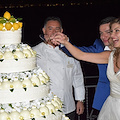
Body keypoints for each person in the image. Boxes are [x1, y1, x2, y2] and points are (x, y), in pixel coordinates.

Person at [52, 17, 120, 120]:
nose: (110, 35)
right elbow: (82, 55)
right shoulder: (109, 55)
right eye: (111, 31)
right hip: (110, 105)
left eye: (115, 31)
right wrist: (65, 42)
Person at [32, 16, 85, 120]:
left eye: (57, 29)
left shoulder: (71, 51)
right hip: (43, 107)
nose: (54, 32)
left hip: (68, 105)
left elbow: (77, 77)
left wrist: (80, 100)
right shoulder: (34, 52)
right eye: (50, 29)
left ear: (61, 31)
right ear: (44, 31)